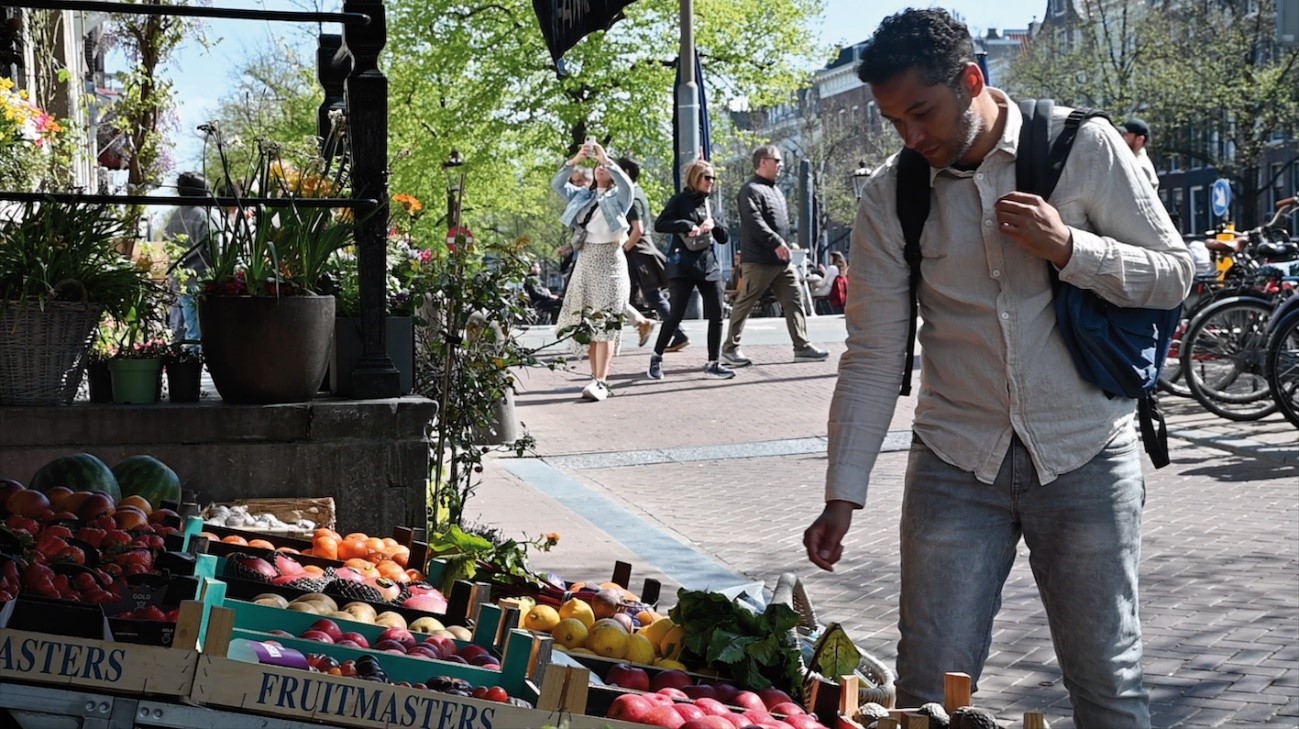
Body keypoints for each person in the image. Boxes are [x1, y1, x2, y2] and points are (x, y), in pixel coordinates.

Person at [801, 9, 1193, 728]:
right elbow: (872, 352)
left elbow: (1173, 275)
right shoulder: (891, 194)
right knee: (925, 692)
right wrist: (841, 493)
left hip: (1083, 449)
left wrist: (1071, 248)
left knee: (1107, 682)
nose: (911, 137)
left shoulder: (1083, 146)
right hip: (955, 460)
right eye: (894, 121)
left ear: (971, 81)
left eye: (921, 112)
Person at [721, 145, 829, 367]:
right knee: (746, 302)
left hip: (781, 260)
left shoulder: (775, 190)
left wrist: (783, 244)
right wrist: (776, 242)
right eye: (777, 160)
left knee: (794, 299)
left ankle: (802, 346)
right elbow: (754, 222)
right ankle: (729, 350)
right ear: (763, 162)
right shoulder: (750, 189)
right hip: (759, 260)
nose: (781, 165)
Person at [551, 142, 636, 402]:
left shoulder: (619, 198)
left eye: (604, 167)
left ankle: (601, 381)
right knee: (589, 321)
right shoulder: (582, 196)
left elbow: (627, 186)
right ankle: (594, 378)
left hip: (611, 259)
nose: (600, 168)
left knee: (607, 322)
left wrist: (606, 158)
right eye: (597, 166)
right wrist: (576, 160)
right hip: (587, 259)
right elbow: (557, 184)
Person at [647, 159, 734, 381]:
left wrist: (714, 225)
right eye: (707, 177)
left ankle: (714, 362)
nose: (711, 182)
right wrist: (688, 225)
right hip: (683, 265)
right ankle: (656, 358)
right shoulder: (679, 201)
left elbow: (724, 238)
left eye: (713, 178)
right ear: (695, 178)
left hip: (708, 265)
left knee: (716, 314)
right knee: (676, 314)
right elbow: (660, 224)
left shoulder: (711, 205)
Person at [559, 162, 657, 347]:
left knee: (617, 297)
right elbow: (586, 227)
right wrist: (570, 247)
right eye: (575, 180)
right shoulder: (584, 197)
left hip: (617, 254)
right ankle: (638, 323)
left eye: (581, 180)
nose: (578, 184)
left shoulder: (622, 197)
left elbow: (638, 229)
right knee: (603, 298)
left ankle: (639, 325)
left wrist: (623, 249)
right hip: (589, 253)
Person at [618, 155, 689, 352]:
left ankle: (677, 333)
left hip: (637, 250)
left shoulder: (631, 195)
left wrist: (625, 249)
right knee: (631, 294)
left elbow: (638, 229)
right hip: (638, 250)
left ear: (626, 173)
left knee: (649, 294)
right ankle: (658, 329)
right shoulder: (635, 192)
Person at [163, 171, 219, 347]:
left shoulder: (174, 217)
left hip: (180, 281)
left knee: (185, 329)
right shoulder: (205, 215)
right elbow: (217, 247)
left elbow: (167, 247)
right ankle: (198, 364)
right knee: (201, 329)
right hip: (203, 279)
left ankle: (188, 366)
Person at [1120, 118, 1160, 191]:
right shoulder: (1131, 161)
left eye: (1126, 134)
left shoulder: (1141, 166)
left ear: (1139, 139)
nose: (1122, 138)